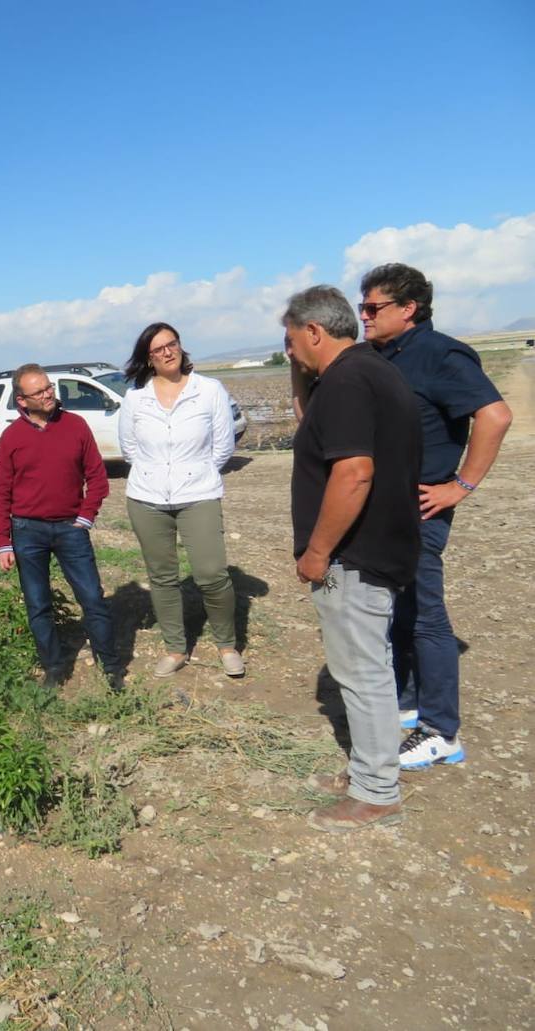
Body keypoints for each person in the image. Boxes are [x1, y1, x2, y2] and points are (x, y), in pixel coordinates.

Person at [359, 263, 512, 770]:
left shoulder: (440, 354)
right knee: (400, 608)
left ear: (409, 308)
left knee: (427, 615)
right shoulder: (380, 356)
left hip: (421, 507)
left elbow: (495, 415)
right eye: (362, 306)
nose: (364, 316)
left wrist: (461, 485)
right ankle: (407, 702)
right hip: (385, 508)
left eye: (373, 307)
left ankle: (441, 730)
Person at [284, 285, 420, 832]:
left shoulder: (345, 382)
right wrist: (300, 371)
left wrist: (318, 551)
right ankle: (368, 769)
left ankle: (377, 793)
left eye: (292, 340)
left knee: (362, 674)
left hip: (354, 556)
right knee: (369, 668)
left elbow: (355, 473)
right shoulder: (371, 371)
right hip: (380, 546)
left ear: (314, 331)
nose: (290, 351)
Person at [118, 322, 243, 679]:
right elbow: (129, 449)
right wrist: (158, 473)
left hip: (198, 494)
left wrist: (195, 473)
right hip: (147, 498)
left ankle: (227, 645)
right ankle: (175, 648)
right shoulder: (135, 399)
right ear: (149, 358)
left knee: (211, 574)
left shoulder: (209, 390)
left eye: (171, 344)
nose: (167, 352)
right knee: (162, 577)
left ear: (180, 346)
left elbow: (223, 446)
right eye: (158, 349)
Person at [0, 363, 121, 690]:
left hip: (70, 529)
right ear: (22, 400)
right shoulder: (12, 437)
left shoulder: (75, 426)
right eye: (39, 392)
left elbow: (97, 477)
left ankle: (111, 668)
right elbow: (1, 492)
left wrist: (85, 516)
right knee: (38, 604)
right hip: (27, 532)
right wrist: (3, 541)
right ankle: (54, 668)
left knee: (92, 598)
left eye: (48, 387)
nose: (48, 394)